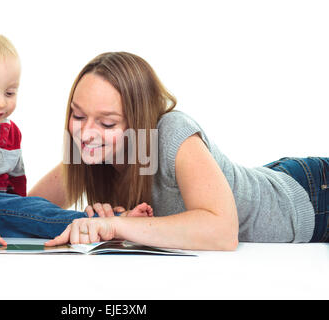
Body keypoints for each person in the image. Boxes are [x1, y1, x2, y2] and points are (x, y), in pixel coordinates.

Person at [33, 51, 329, 250]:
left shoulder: (172, 132)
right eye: (78, 115)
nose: (85, 133)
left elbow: (223, 231)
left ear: (139, 122)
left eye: (107, 123)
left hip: (313, 196)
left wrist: (115, 226)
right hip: (271, 180)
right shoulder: (88, 148)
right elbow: (22, 209)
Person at [0, 34, 152, 250]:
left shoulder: (10, 131)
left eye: (9, 93)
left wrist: (19, 207)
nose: (0, 103)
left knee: (37, 211)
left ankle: (105, 225)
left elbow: (17, 178)